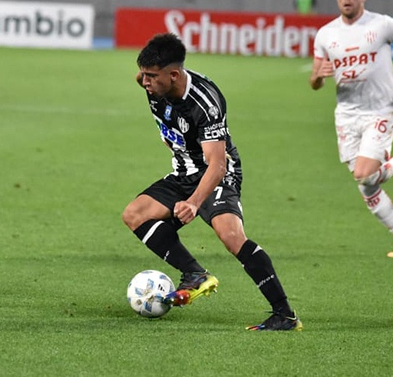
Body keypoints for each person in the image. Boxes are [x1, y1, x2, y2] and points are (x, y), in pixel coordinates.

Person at [122, 33, 302, 331]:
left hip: (216, 173)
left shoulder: (205, 103)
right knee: (134, 214)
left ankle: (284, 314)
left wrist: (194, 203)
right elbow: (146, 76)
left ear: (175, 74)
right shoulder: (152, 83)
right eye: (143, 75)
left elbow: (217, 164)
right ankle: (195, 274)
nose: (145, 82)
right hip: (183, 171)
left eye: (152, 76)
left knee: (230, 235)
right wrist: (146, 71)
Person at [309, 0, 393, 258]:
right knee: (366, 185)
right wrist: (319, 76)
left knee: (364, 175)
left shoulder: (382, 25)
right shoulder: (326, 34)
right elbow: (314, 82)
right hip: (347, 115)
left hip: (380, 109)